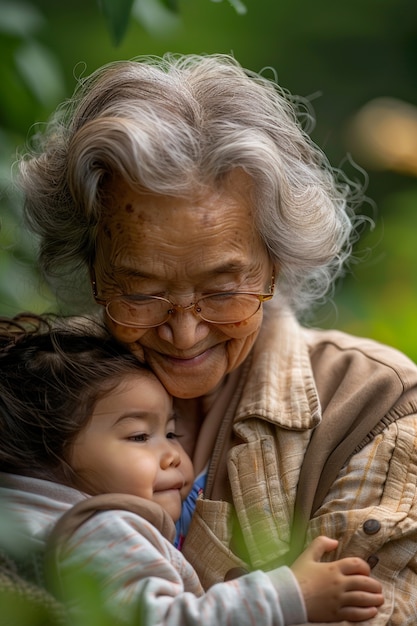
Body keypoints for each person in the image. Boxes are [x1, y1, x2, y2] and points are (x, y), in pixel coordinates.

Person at [16, 53, 417, 625]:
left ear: (276, 264)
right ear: (90, 265)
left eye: (222, 290)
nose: (184, 333)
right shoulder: (33, 392)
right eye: (141, 292)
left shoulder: (377, 407)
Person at [0, 313, 383, 625]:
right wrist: (290, 596)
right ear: (48, 450)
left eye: (170, 432)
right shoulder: (102, 531)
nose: (172, 455)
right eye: (137, 437)